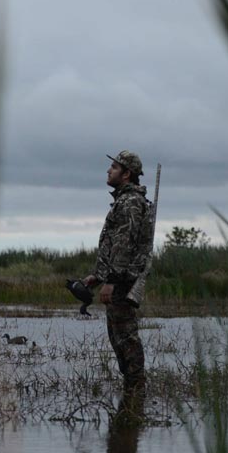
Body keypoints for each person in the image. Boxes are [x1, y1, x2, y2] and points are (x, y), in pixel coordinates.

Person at [82, 150, 152, 391]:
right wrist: (98, 276)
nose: (108, 171)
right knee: (118, 338)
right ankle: (131, 394)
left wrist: (111, 281)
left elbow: (124, 244)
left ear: (126, 174)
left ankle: (136, 391)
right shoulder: (124, 200)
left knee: (126, 339)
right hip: (118, 278)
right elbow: (116, 244)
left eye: (114, 167)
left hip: (123, 281)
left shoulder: (130, 202)